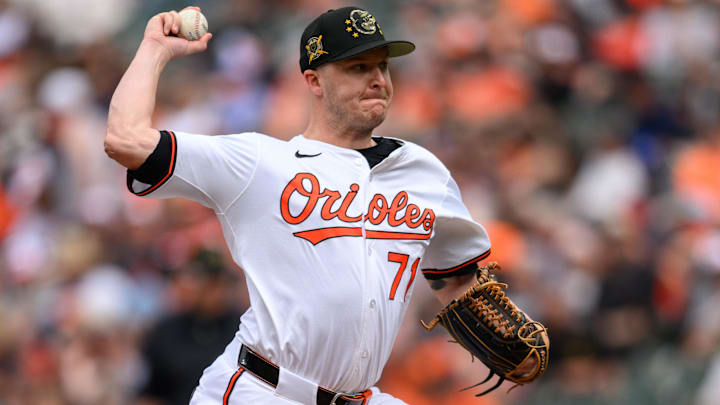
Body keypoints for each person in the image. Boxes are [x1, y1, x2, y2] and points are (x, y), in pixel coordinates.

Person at [105, 6, 494, 405]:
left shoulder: (423, 173)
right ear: (314, 80)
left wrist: (494, 331)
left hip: (361, 397)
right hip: (264, 391)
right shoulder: (259, 163)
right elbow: (125, 139)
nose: (377, 79)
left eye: (382, 66)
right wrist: (154, 50)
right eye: (358, 67)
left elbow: (457, 276)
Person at [137, 250, 243, 405]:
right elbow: (151, 392)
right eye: (203, 284)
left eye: (215, 284)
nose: (211, 292)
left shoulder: (241, 328)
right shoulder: (166, 331)